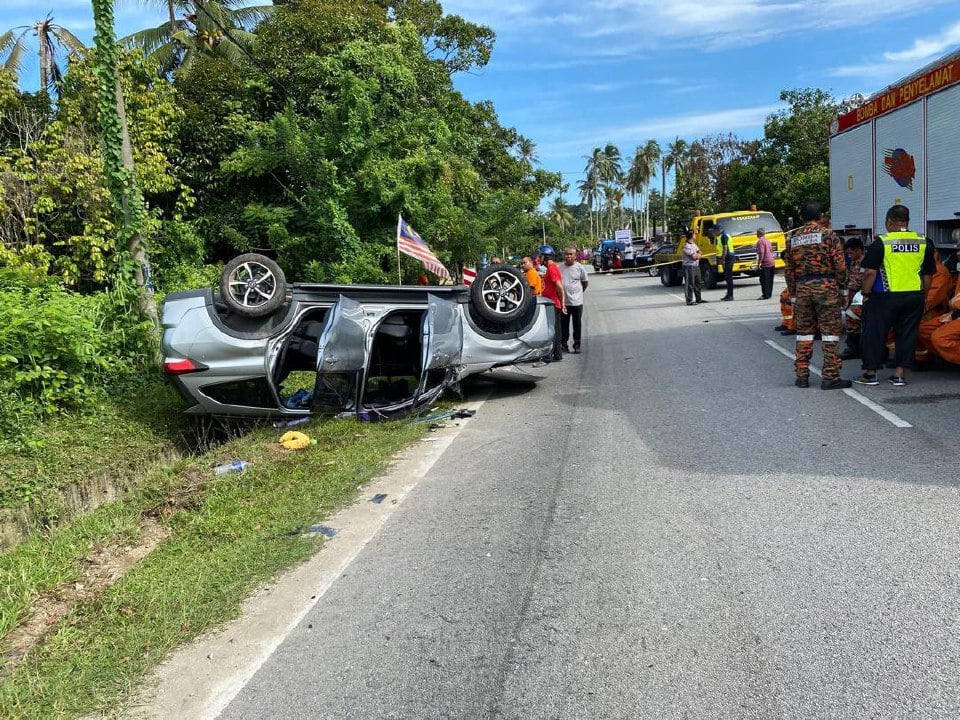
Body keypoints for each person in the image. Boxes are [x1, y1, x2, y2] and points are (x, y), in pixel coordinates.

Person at [853, 204, 935, 387]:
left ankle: (871, 374)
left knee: (874, 333)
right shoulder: (923, 242)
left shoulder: (882, 242)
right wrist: (924, 297)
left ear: (889, 221)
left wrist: (865, 293)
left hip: (885, 297)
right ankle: (899, 375)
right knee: (907, 334)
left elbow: (870, 273)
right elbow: (928, 275)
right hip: (914, 296)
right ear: (906, 221)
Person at [784, 201, 850, 389]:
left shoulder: (793, 238)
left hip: (803, 288)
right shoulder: (829, 235)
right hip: (826, 288)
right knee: (830, 335)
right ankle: (830, 377)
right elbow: (840, 265)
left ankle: (802, 376)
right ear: (820, 217)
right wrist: (843, 290)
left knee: (803, 334)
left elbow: (789, 270)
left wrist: (794, 295)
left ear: (802, 218)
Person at [538, 244, 566, 362]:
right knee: (555, 329)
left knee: (552, 330)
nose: (539, 258)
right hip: (552, 303)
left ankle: (550, 355)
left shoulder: (552, 268)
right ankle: (557, 354)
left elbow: (559, 286)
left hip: (553, 304)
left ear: (546, 256)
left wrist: (562, 302)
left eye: (541, 256)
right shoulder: (550, 268)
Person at [840, 237, 865, 360]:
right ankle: (854, 347)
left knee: (852, 319)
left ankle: (855, 349)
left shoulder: (866, 262)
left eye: (851, 253)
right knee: (851, 319)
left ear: (859, 250)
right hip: (853, 295)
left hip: (862, 296)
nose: (849, 256)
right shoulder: (854, 263)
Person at [560, 247, 588, 353]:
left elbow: (585, 282)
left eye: (571, 254)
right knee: (564, 325)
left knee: (577, 324)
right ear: (564, 255)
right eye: (567, 254)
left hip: (577, 302)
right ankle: (564, 345)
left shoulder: (579, 267)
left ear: (575, 256)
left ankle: (577, 345)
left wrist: (579, 293)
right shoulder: (560, 268)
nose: (569, 256)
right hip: (564, 303)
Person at [709, 223, 735, 300]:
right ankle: (728, 294)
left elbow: (725, 249)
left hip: (728, 257)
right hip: (728, 257)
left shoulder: (723, 236)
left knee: (728, 277)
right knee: (727, 277)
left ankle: (730, 295)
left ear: (718, 230)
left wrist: (723, 259)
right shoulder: (722, 236)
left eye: (714, 231)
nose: (714, 233)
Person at [681, 230, 704, 305]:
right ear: (691, 235)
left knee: (698, 283)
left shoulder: (694, 244)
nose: (695, 235)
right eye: (694, 234)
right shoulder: (686, 246)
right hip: (689, 267)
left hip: (696, 266)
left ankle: (698, 299)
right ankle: (689, 300)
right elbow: (694, 257)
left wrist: (698, 255)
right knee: (690, 284)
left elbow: (700, 252)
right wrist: (698, 255)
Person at [755, 227, 775, 299]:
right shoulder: (767, 240)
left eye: (757, 233)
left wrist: (759, 263)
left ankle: (765, 295)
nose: (756, 234)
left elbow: (761, 253)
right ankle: (769, 294)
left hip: (765, 262)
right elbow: (771, 251)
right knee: (770, 279)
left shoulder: (760, 241)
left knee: (764, 280)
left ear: (759, 234)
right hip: (771, 261)